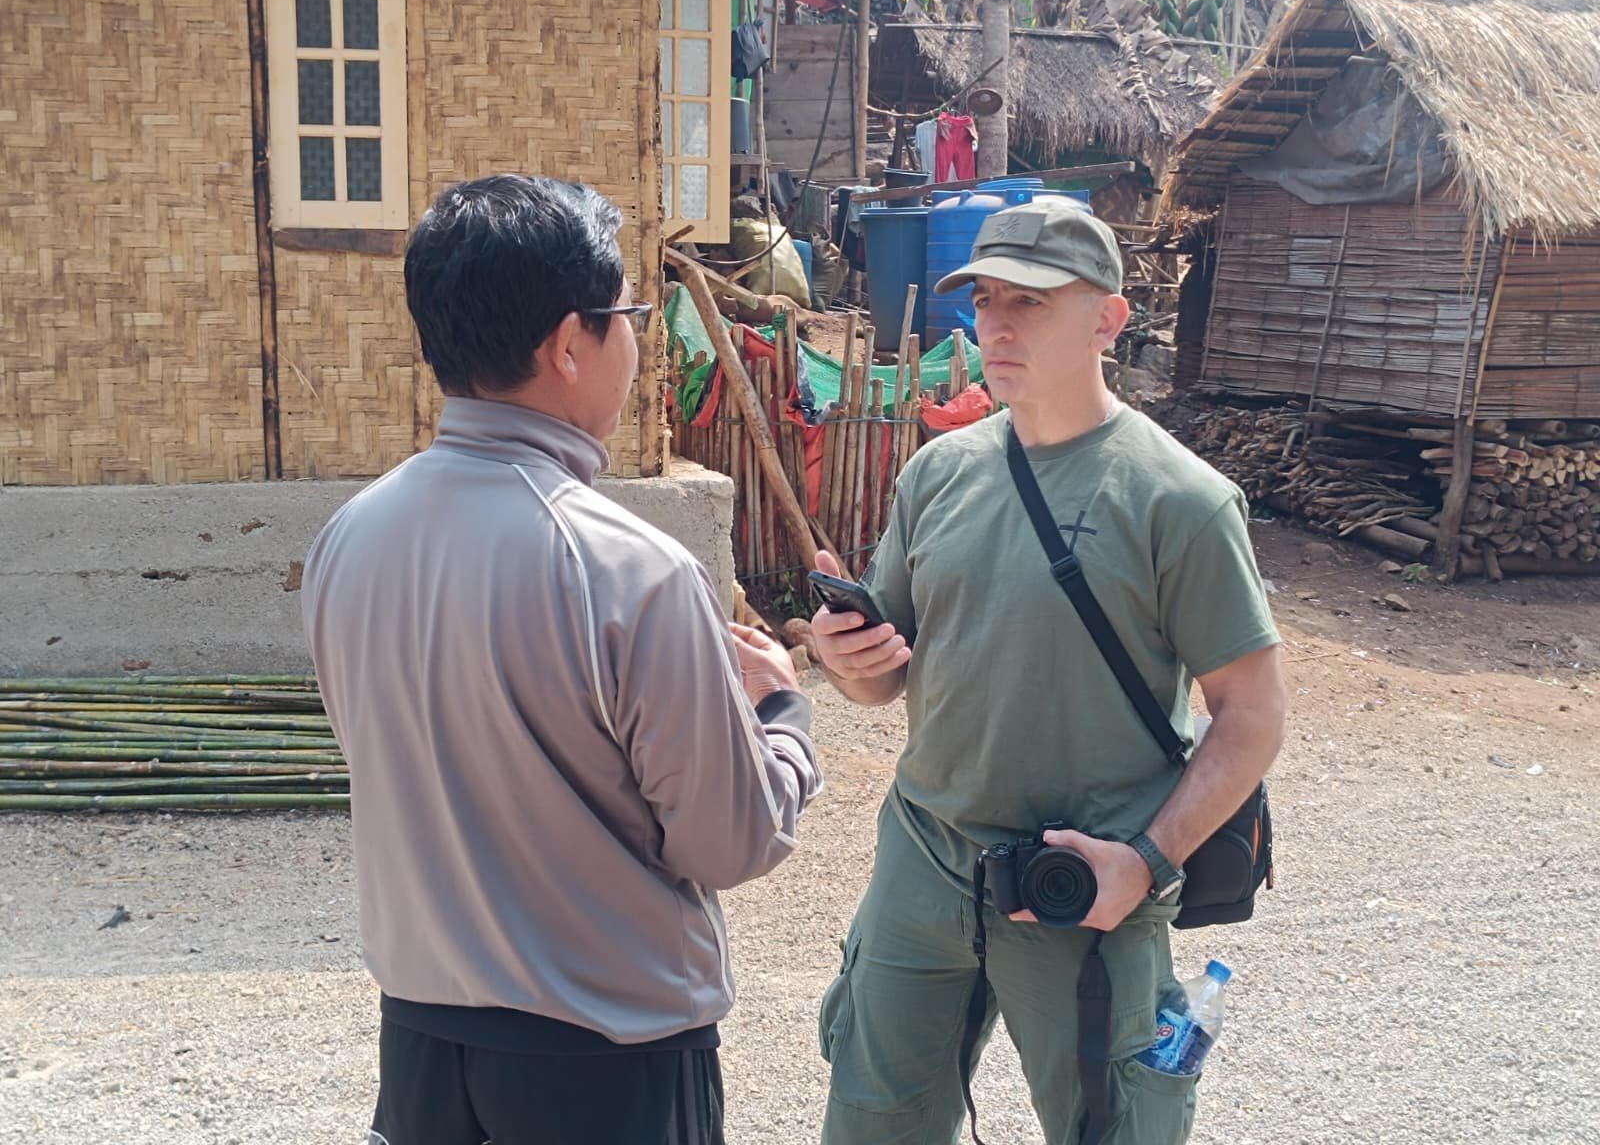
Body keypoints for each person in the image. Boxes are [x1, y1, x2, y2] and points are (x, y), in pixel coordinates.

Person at [302, 174, 822, 1145]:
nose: (639, 337)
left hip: (420, 1044)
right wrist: (783, 719)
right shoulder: (634, 572)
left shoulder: (348, 540)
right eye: (627, 313)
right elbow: (728, 840)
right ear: (568, 346)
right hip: (605, 1059)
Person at [809, 197, 1285, 1145]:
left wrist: (1144, 864)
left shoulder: (1181, 501)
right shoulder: (936, 474)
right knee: (872, 1126)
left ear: (1106, 319)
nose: (994, 325)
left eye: (1029, 301)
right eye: (985, 299)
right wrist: (843, 660)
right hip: (924, 858)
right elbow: (883, 678)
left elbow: (1251, 714)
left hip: (1082, 879)